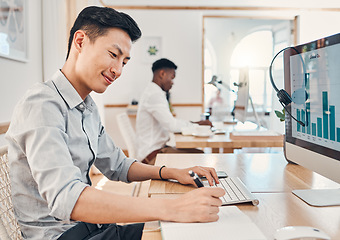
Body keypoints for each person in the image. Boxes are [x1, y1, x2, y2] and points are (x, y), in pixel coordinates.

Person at [5, 6, 224, 240]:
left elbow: (118, 166)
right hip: (64, 236)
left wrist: (172, 172)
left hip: (93, 228)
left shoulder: (87, 107)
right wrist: (173, 208)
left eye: (125, 62)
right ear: (80, 41)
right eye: (113, 54)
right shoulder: (41, 105)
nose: (118, 70)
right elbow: (67, 199)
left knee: (200, 230)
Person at [135, 58, 212, 165]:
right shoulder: (154, 95)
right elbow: (172, 125)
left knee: (199, 153)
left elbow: (171, 122)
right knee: (200, 157)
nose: (173, 82)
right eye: (172, 77)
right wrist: (197, 124)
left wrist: (195, 124)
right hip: (153, 156)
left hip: (158, 150)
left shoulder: (154, 92)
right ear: (162, 74)